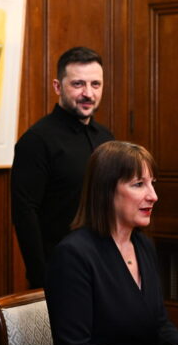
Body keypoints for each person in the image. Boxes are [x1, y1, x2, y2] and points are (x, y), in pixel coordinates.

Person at [42, 141, 178, 345]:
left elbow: (158, 323)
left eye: (152, 183)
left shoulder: (142, 244)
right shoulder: (73, 254)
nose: (153, 195)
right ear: (105, 191)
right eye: (138, 184)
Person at [11, 47, 114, 288]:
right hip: (60, 272)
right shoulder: (36, 140)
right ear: (58, 87)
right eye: (78, 84)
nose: (88, 93)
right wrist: (41, 278)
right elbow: (25, 214)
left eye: (96, 85)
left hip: (105, 267)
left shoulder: (107, 138)